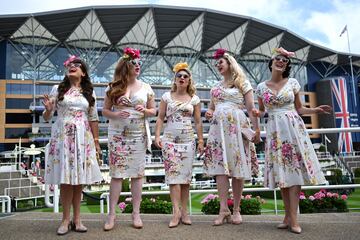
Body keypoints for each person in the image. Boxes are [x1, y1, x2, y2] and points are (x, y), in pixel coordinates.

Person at [255, 47, 332, 234]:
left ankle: (294, 219)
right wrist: (257, 113)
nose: (281, 62)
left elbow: (299, 109)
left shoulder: (293, 83)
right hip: (274, 130)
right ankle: (287, 216)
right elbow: (262, 111)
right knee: (283, 174)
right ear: (271, 62)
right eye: (278, 59)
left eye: (285, 60)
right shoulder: (261, 87)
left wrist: (315, 111)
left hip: (293, 128)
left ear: (286, 65)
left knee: (295, 172)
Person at [42, 55, 102, 235]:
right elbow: (47, 117)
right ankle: (65, 220)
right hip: (63, 138)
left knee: (79, 180)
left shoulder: (89, 93)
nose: (72, 66)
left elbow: (93, 119)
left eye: (77, 65)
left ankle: (78, 219)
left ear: (83, 73)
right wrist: (47, 110)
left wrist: (97, 143)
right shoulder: (57, 89)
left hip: (83, 139)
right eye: (70, 65)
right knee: (66, 180)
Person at [204, 49, 260, 226]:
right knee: (221, 170)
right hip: (218, 130)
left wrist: (256, 130)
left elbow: (251, 108)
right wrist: (210, 112)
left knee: (237, 168)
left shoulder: (242, 83)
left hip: (236, 128)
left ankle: (236, 209)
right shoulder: (215, 88)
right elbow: (212, 108)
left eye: (221, 62)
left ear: (229, 63)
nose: (218, 65)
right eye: (217, 63)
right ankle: (223, 210)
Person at [102, 47, 156, 230]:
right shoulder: (113, 87)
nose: (138, 66)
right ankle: (111, 215)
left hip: (138, 135)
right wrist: (117, 115)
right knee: (116, 175)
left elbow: (153, 111)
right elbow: (105, 111)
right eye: (134, 63)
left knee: (137, 175)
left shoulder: (146, 87)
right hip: (117, 135)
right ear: (126, 66)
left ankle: (136, 213)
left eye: (139, 63)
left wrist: (145, 111)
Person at [155, 62, 204, 228]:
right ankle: (176, 212)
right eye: (179, 76)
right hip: (169, 140)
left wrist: (201, 140)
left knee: (185, 179)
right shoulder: (166, 97)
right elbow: (160, 117)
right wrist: (157, 136)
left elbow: (198, 121)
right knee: (173, 177)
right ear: (174, 79)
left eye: (185, 76)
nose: (182, 78)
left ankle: (185, 212)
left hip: (188, 141)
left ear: (189, 80)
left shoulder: (195, 99)